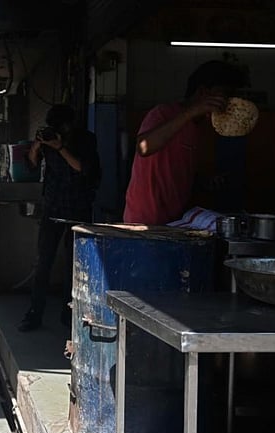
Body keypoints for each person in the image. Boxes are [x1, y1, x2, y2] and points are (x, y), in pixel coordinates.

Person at [123, 60, 247, 225]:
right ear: (203, 92)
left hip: (175, 220)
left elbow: (181, 173)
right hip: (145, 219)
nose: (225, 102)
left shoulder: (201, 128)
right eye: (223, 94)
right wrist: (192, 112)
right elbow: (143, 147)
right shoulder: (163, 113)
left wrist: (205, 182)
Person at [18, 104, 100, 332]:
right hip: (53, 207)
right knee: (43, 262)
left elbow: (83, 169)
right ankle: (34, 313)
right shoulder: (48, 139)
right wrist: (38, 145)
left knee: (75, 265)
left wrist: (60, 147)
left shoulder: (85, 140)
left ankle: (69, 312)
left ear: (70, 125)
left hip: (78, 207)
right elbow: (31, 165)